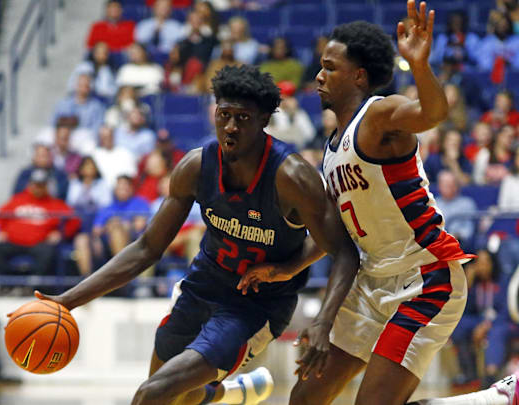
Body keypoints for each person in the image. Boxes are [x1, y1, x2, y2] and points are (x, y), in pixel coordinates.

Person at [238, 4, 519, 405]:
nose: (319, 75)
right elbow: (335, 233)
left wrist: (419, 66)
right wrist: (285, 268)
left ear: (358, 76)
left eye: (330, 67)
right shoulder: (331, 150)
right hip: (371, 283)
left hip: (425, 279)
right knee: (305, 398)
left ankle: (497, 399)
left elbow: (433, 112)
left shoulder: (378, 115)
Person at [35, 64, 360, 405]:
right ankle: (228, 394)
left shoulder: (292, 176)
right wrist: (66, 302)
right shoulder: (195, 166)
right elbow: (146, 248)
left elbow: (343, 250)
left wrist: (311, 301)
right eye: (224, 115)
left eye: (243, 118)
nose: (231, 126)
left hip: (254, 307)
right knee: (175, 397)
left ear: (264, 120)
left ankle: (219, 392)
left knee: (151, 394)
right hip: (201, 286)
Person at [0, 169, 81, 286]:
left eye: (42, 185)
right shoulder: (17, 200)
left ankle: (33, 285)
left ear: (46, 186)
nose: (38, 188)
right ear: (30, 185)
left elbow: (75, 220)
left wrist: (61, 233)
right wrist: (0, 230)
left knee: (48, 251)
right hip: (14, 242)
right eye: (36, 184)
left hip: (39, 244)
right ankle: (11, 284)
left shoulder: (55, 204)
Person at [451, 249, 516, 388]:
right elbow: (465, 310)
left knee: (496, 332)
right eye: (479, 263)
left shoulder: (503, 281)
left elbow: (506, 312)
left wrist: (486, 325)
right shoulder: (475, 284)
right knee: (459, 326)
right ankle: (469, 373)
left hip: (501, 322)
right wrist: (467, 284)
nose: (482, 267)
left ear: (493, 264)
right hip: (479, 319)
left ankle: (491, 374)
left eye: (485, 263)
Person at [66, 157, 112, 275]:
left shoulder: (102, 184)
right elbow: (71, 203)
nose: (89, 169)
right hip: (80, 225)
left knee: (99, 246)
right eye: (86, 166)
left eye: (91, 166)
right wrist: (84, 188)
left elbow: (106, 206)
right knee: (82, 242)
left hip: (99, 224)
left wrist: (99, 225)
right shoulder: (75, 184)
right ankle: (86, 281)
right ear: (80, 169)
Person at [265, 81, 315, 150]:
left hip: (296, 151)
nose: (287, 100)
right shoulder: (270, 114)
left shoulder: (298, 113)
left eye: (291, 96)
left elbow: (309, 135)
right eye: (285, 97)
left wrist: (295, 113)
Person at [435, 171, 476, 250]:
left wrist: (457, 236)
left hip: (458, 242)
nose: (449, 187)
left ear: (457, 186)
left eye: (451, 184)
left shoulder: (467, 203)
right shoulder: (434, 203)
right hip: (437, 241)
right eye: (445, 185)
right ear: (439, 187)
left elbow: (469, 229)